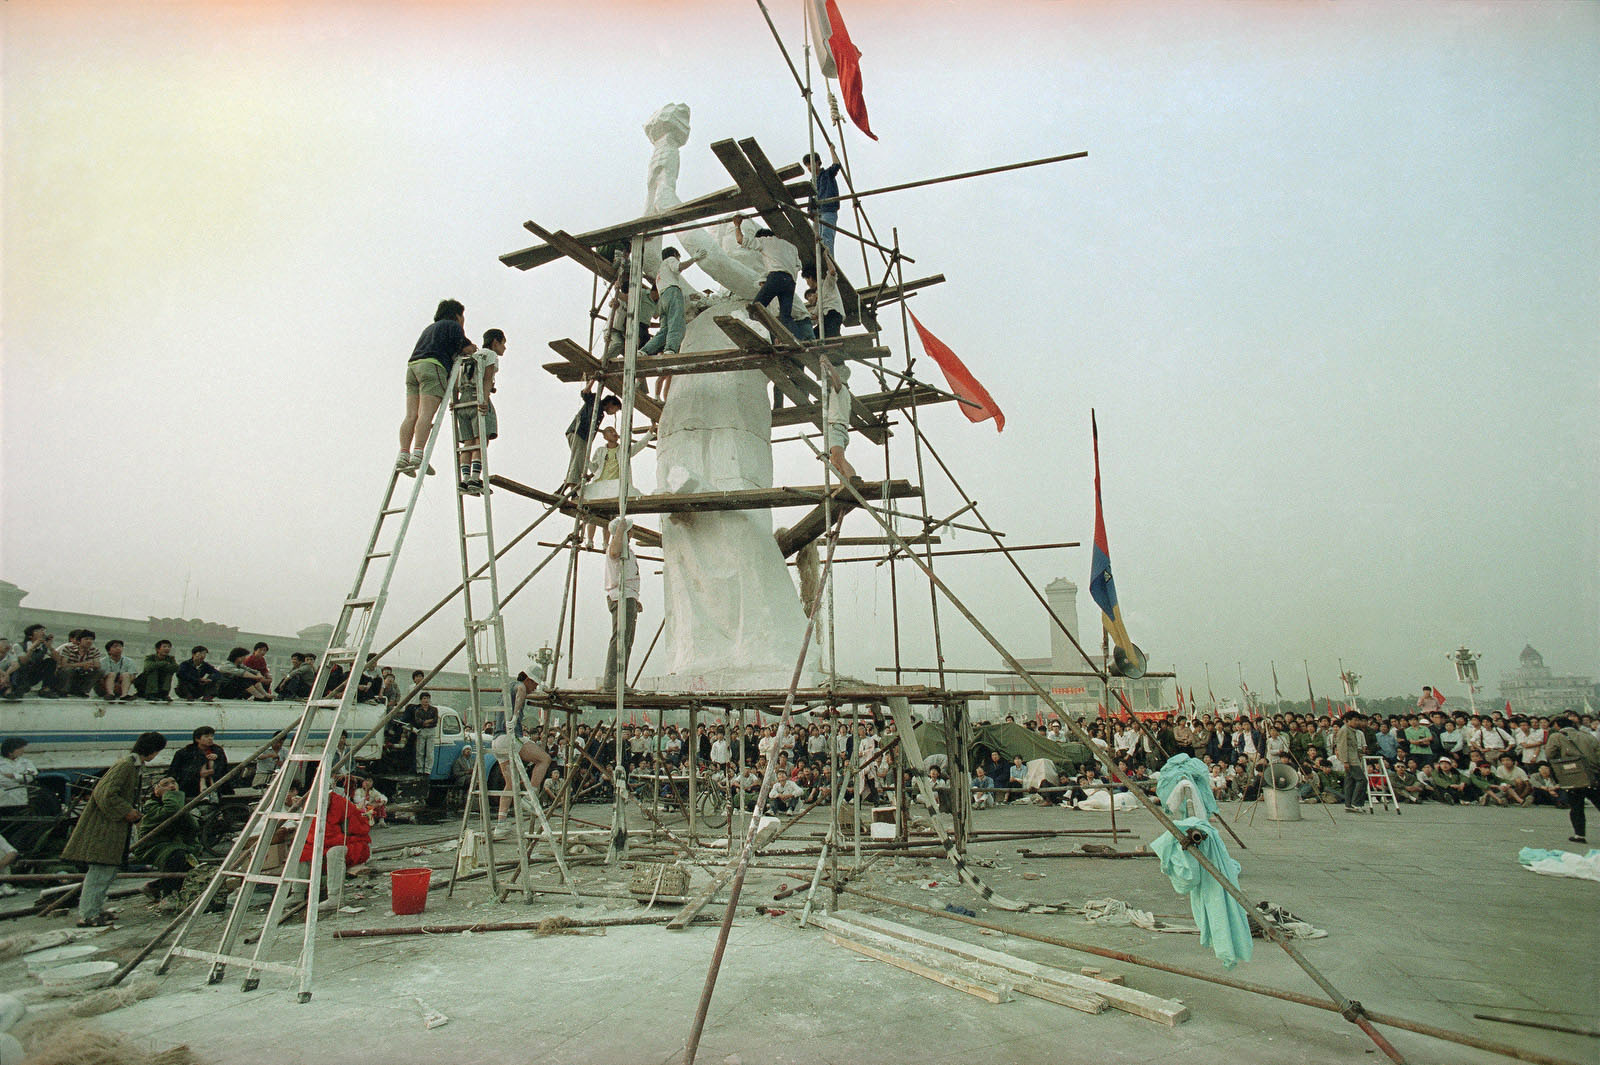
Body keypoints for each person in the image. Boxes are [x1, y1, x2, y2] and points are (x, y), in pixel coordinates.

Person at [61, 730, 167, 926]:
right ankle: (88, 914)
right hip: (104, 827)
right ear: (152, 751)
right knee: (100, 870)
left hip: (112, 826)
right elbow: (105, 793)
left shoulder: (132, 766)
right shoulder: (126, 766)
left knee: (107, 870)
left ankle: (95, 909)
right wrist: (128, 811)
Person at [398, 298, 476, 477]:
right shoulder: (453, 326)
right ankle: (418, 453)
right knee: (426, 414)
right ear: (457, 315)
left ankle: (404, 454)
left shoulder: (430, 329)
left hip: (413, 367)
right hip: (433, 367)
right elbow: (466, 347)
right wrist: (472, 348)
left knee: (411, 415)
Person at [583, 426, 656, 546]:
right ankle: (590, 540)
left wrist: (650, 432)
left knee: (609, 516)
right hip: (600, 485)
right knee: (593, 513)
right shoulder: (600, 451)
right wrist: (587, 462)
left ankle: (606, 543)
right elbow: (595, 468)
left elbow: (639, 446)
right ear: (605, 437)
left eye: (615, 432)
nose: (614, 434)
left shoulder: (622, 449)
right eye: (610, 432)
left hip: (615, 485)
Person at [639, 247, 703, 378]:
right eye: (678, 256)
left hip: (663, 298)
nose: (678, 258)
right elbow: (679, 267)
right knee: (677, 324)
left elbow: (668, 292)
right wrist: (694, 258)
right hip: (672, 293)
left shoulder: (661, 272)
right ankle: (670, 349)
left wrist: (688, 297)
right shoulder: (670, 260)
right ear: (674, 254)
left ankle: (644, 351)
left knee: (664, 330)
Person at [455, 328, 505, 495]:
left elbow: (456, 378)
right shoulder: (490, 355)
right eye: (503, 343)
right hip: (478, 396)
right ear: (495, 342)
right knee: (480, 440)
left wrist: (454, 401)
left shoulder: (470, 356)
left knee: (468, 443)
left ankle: (465, 479)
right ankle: (476, 478)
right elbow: (487, 377)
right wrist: (483, 399)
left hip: (463, 400)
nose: (504, 348)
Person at [139, 776, 201, 899]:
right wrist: (172, 796)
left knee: (190, 863)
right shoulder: (151, 806)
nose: (171, 786)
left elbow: (193, 827)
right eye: (165, 784)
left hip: (175, 844)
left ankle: (155, 887)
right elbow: (170, 810)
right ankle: (168, 895)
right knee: (176, 855)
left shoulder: (178, 804)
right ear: (156, 791)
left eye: (173, 782)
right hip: (154, 845)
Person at [734, 219, 801, 334]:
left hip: (776, 277)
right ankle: (800, 338)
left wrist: (737, 225)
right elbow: (798, 266)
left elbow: (740, 240)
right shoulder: (791, 247)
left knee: (755, 308)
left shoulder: (765, 241)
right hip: (790, 281)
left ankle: (770, 332)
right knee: (786, 316)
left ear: (762, 237)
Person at [1544, 714, 1600, 843]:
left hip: (1573, 776)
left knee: (1576, 806)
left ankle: (1579, 835)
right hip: (1592, 775)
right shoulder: (1588, 736)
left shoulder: (1556, 736)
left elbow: (1549, 754)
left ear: (1558, 726)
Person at [561, 381, 623, 494]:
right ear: (611, 404)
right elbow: (585, 393)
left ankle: (563, 490)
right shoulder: (596, 402)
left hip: (583, 437)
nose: (614, 413)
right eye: (615, 409)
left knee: (578, 462)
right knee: (577, 463)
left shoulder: (600, 412)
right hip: (578, 433)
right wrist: (593, 380)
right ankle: (572, 492)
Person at [602, 517, 641, 692]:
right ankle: (612, 681)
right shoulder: (616, 547)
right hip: (621, 596)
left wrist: (635, 600)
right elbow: (614, 551)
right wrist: (620, 530)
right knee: (620, 639)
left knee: (626, 641)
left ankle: (620, 680)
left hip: (629, 596)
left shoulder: (628, 551)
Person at [170, 726, 233, 801]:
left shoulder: (218, 751)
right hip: (191, 788)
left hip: (216, 787)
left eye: (212, 736)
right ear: (197, 739)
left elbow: (224, 768)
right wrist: (198, 773)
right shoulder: (184, 753)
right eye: (206, 736)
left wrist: (214, 768)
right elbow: (175, 772)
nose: (210, 738)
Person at [804, 150, 844, 254]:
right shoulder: (812, 181)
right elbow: (810, 202)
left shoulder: (827, 174)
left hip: (828, 210)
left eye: (810, 163)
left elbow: (836, 165)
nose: (809, 167)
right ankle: (820, 266)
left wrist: (831, 150)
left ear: (818, 162)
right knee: (816, 241)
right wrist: (809, 212)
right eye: (807, 165)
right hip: (817, 214)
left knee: (826, 237)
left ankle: (829, 264)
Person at [822, 362, 856, 480]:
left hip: (835, 427)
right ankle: (846, 481)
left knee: (839, 459)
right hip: (840, 428)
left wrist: (829, 365)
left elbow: (836, 380)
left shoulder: (840, 389)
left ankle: (853, 479)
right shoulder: (845, 394)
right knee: (834, 461)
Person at [10, 625, 61, 698]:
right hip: (20, 675)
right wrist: (32, 648)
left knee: (50, 661)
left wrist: (50, 646)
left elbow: (58, 659)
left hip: (34, 674)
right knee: (21, 667)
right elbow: (23, 662)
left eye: (43, 630)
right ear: (30, 636)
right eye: (38, 630)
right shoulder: (18, 646)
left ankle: (45, 689)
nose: (42, 632)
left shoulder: (43, 646)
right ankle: (19, 687)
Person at [53, 629, 105, 696]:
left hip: (83, 673)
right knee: (68, 670)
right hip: (69, 674)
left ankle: (82, 691)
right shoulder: (68, 648)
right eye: (86, 639)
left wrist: (88, 666)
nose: (89, 641)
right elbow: (64, 665)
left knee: (100, 671)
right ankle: (63, 690)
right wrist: (82, 664)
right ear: (79, 641)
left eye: (91, 639)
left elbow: (97, 665)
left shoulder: (94, 650)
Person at [1333, 713, 1368, 811]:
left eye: (1358, 720)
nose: (1357, 722)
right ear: (1347, 720)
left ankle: (1348, 804)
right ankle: (1355, 803)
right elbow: (1342, 747)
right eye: (1355, 720)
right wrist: (1345, 761)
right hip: (1350, 761)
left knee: (1350, 782)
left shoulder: (1352, 731)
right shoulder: (1344, 730)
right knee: (1362, 780)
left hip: (1353, 758)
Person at [802, 260, 844, 339]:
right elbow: (815, 315)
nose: (807, 283)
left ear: (810, 278)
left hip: (833, 314)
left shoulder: (826, 283)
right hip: (826, 318)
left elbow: (832, 271)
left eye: (806, 280)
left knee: (831, 337)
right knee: (814, 337)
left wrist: (826, 256)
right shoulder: (819, 293)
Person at [0, 738, 38, 821]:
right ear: (10, 751)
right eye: (19, 748)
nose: (22, 750)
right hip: (3, 799)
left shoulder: (26, 762)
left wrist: (14, 776)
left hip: (22, 799)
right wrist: (20, 779)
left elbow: (31, 776)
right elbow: (2, 780)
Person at [411, 693, 440, 775]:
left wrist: (425, 722)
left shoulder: (434, 710)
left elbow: (435, 721)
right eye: (424, 698)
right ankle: (419, 769)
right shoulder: (418, 710)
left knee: (429, 752)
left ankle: (428, 770)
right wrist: (428, 721)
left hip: (431, 731)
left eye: (427, 698)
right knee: (420, 751)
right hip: (422, 731)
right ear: (421, 700)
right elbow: (419, 722)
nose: (426, 700)